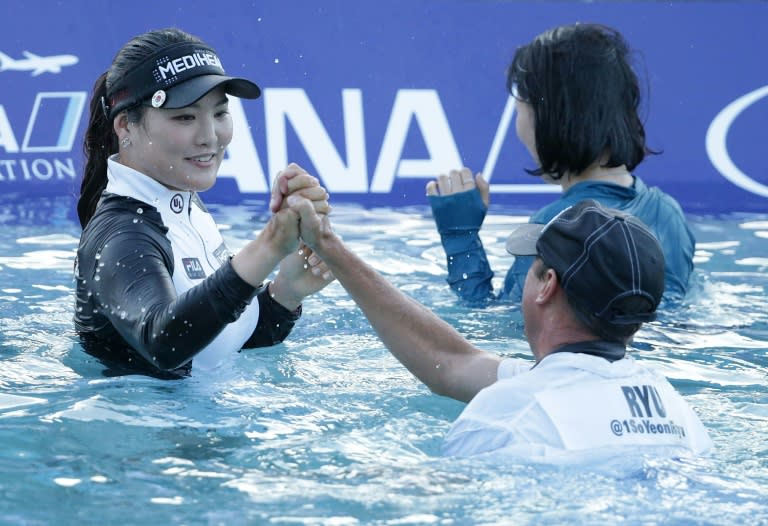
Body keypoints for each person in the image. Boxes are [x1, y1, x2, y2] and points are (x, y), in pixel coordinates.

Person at [285, 195, 712, 458]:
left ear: (547, 285)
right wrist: (330, 248)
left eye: (532, 266)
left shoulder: (511, 415)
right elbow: (452, 361)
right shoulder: (675, 411)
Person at [73, 28, 334, 378]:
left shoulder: (183, 208)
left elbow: (215, 345)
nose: (209, 136)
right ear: (126, 126)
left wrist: (287, 292)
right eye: (185, 117)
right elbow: (162, 343)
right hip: (139, 431)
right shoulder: (123, 234)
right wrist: (269, 246)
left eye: (220, 114)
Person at [426, 23, 695, 304]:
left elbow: (493, 329)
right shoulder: (668, 213)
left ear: (547, 118)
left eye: (520, 108)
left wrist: (460, 238)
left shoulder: (553, 229)